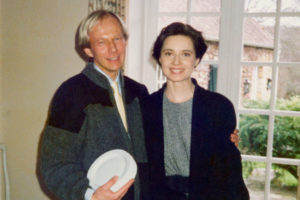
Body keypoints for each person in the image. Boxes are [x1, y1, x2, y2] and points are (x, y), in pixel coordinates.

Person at [38, 10, 149, 200]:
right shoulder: (71, 94)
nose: (113, 49)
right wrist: (90, 195)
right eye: (101, 42)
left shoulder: (138, 92)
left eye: (117, 39)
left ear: (126, 41)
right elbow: (53, 164)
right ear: (88, 50)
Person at [141, 22, 249, 200]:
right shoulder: (146, 108)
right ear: (160, 58)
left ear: (197, 60)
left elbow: (230, 173)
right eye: (169, 53)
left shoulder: (219, 107)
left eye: (185, 54)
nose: (176, 62)